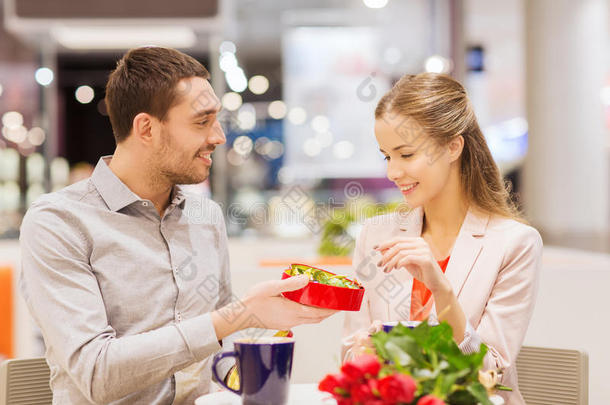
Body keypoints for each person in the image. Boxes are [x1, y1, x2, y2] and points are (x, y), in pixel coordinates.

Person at [19, 47, 336, 405]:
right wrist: (234, 317)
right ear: (146, 128)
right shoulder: (59, 222)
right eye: (202, 122)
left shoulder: (205, 216)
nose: (218, 136)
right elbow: (96, 373)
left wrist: (258, 342)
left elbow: (221, 349)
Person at [342, 73, 543, 405]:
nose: (392, 172)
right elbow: (351, 356)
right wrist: (363, 351)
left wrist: (441, 288)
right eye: (386, 156)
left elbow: (490, 374)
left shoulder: (515, 244)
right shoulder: (375, 236)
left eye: (406, 155)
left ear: (453, 147)